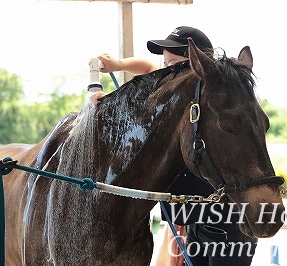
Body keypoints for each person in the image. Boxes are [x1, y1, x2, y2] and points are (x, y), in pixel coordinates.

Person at [96, 26, 257, 266]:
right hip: (196, 223)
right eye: (165, 63)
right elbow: (148, 67)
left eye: (173, 63)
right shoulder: (176, 94)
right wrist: (118, 65)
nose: (165, 70)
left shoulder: (207, 102)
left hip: (226, 225)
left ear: (197, 64)